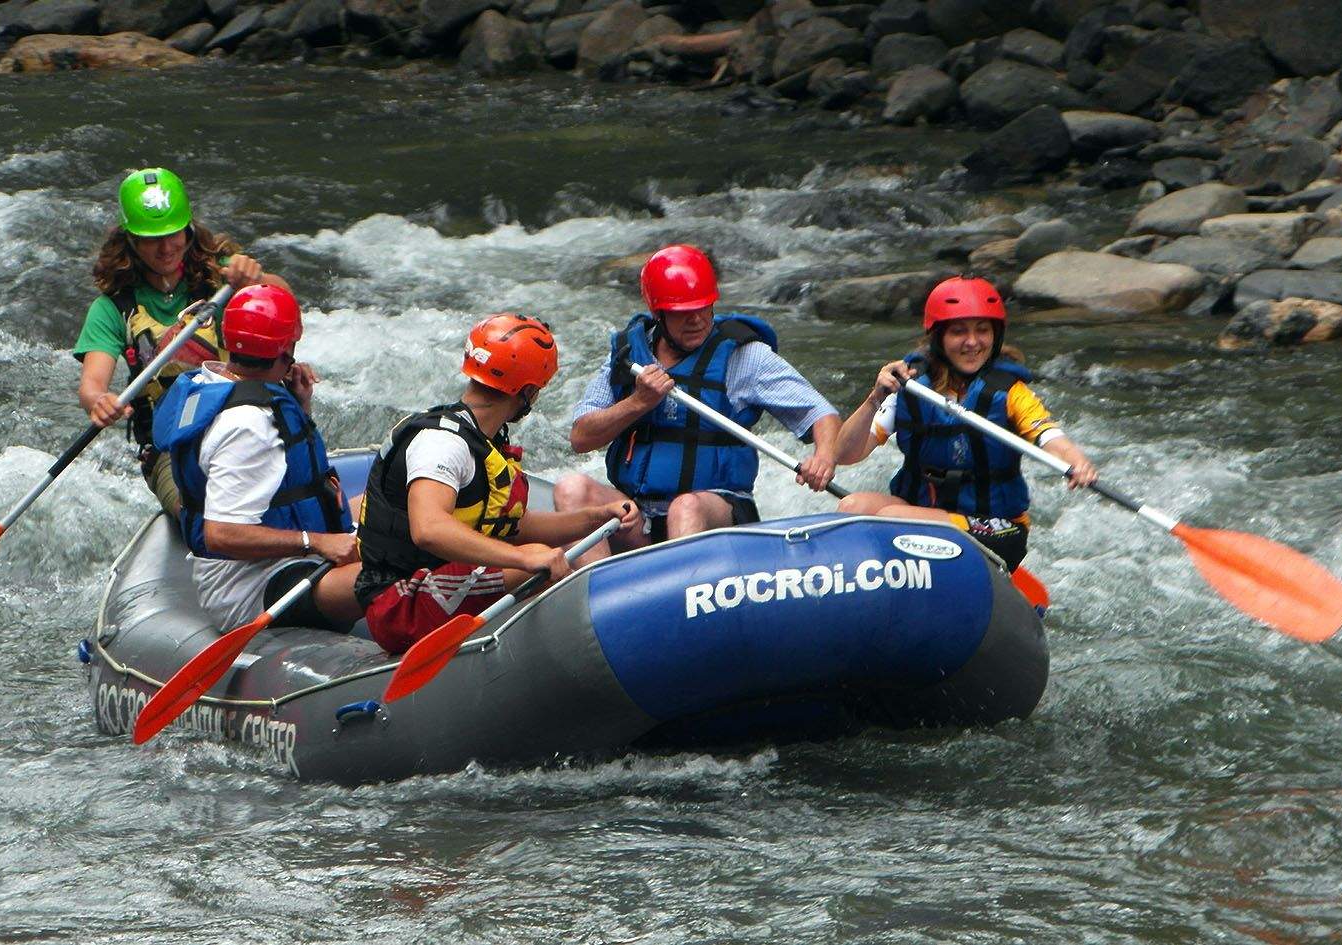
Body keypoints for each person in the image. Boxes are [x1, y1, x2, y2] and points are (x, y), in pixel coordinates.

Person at [355, 313, 637, 657]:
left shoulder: (484, 441)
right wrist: (522, 558)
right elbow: (429, 529)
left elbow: (514, 527)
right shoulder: (442, 443)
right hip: (401, 601)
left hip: (437, 581)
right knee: (535, 559)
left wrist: (597, 517)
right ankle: (591, 653)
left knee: (536, 552)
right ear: (529, 392)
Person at [554, 244, 841, 561]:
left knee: (685, 506)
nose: (697, 320)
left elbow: (820, 412)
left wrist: (824, 456)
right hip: (639, 517)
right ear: (658, 313)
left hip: (713, 514)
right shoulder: (627, 356)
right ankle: (596, 589)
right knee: (571, 488)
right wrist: (638, 402)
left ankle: (681, 587)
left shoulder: (744, 356)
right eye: (682, 312)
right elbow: (581, 437)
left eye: (703, 307)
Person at [833, 276, 1097, 570]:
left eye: (982, 330)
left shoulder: (1011, 393)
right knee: (851, 507)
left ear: (995, 335)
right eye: (959, 332)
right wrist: (874, 398)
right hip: (924, 513)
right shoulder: (911, 386)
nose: (972, 342)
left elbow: (1049, 437)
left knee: (890, 518)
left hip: (996, 528)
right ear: (939, 338)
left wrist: (1077, 462)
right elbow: (844, 455)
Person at [73, 166, 292, 517]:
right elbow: (92, 384)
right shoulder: (112, 308)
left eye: (173, 234)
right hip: (172, 447)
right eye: (151, 239)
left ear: (188, 230)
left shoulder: (222, 277)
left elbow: (288, 310)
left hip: (246, 420)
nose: (165, 248)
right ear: (130, 240)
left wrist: (257, 280)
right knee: (206, 515)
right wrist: (99, 401)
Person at [150, 284, 362, 633]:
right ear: (286, 348)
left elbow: (283, 476)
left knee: (390, 505)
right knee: (387, 573)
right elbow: (220, 534)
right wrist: (317, 542)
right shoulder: (248, 424)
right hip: (252, 585)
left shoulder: (213, 380)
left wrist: (299, 405)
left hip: (279, 561)